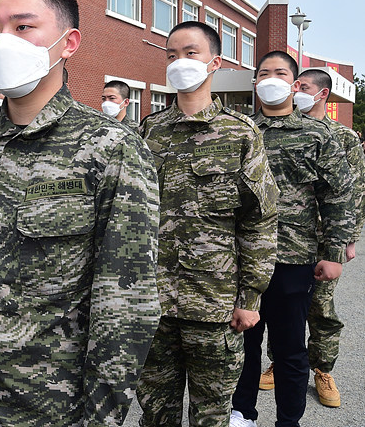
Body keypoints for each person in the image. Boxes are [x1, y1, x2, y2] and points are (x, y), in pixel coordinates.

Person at [0, 0, 161, 427]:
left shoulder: (111, 147)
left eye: (23, 27)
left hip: (51, 406)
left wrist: (102, 417)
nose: (2, 41)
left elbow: (126, 298)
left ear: (69, 43)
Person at [136, 21, 278, 427]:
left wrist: (251, 297)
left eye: (190, 53)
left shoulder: (240, 132)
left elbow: (260, 220)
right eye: (171, 55)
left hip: (214, 306)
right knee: (155, 411)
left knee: (211, 412)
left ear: (214, 62)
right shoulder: (149, 130)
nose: (180, 62)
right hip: (155, 303)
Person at [230, 51, 357, 427]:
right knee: (243, 344)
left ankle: (288, 420)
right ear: (255, 82)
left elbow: (338, 195)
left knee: (288, 349)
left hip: (293, 256)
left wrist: (335, 252)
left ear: (295, 82)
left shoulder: (317, 134)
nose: (271, 78)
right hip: (241, 258)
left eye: (280, 72)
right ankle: (242, 413)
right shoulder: (239, 129)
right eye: (263, 72)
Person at [270, 68, 364, 408]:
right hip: (290, 239)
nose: (297, 91)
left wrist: (346, 241)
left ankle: (323, 370)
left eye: (304, 87)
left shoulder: (343, 138)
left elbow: (354, 192)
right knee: (282, 308)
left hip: (326, 241)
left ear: (321, 93)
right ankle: (278, 361)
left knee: (320, 306)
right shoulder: (275, 129)